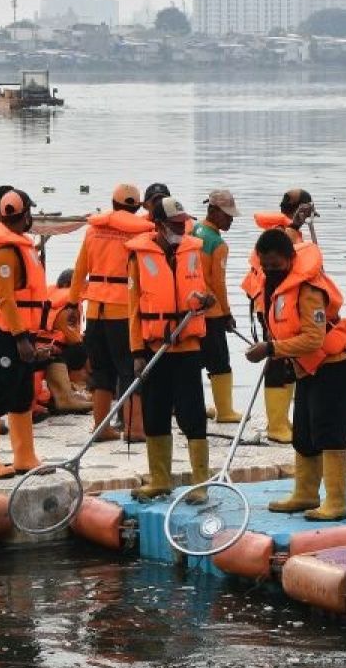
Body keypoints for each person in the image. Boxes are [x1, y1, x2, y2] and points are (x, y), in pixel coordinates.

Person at [246, 228, 346, 521]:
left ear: (290, 259)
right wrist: (279, 352)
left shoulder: (308, 290)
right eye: (266, 266)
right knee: (304, 433)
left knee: (329, 433)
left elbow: (313, 339)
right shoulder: (276, 288)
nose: (270, 271)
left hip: (332, 365)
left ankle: (336, 501)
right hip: (305, 368)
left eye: (276, 265)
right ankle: (306, 493)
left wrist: (271, 348)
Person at [126, 197, 215, 501]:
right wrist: (137, 352)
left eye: (182, 223)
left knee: (193, 414)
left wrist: (207, 300)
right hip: (154, 349)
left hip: (187, 346)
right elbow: (133, 309)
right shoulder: (138, 257)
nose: (181, 229)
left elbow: (203, 289)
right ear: (159, 225)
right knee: (155, 413)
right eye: (175, 225)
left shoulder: (193, 250)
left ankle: (201, 483)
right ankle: (160, 479)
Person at [0, 187, 47, 480]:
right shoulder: (4, 252)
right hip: (3, 334)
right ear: (23, 214)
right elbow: (6, 299)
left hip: (19, 332)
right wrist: (20, 338)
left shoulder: (19, 246)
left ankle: (24, 456)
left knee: (22, 394)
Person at [68, 183, 154, 441]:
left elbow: (79, 268)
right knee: (129, 369)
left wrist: (73, 302)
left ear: (113, 204)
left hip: (95, 309)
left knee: (101, 370)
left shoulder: (93, 230)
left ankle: (101, 427)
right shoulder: (140, 233)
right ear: (137, 207)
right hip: (122, 309)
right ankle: (134, 428)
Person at [241, 188, 317, 444]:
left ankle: (282, 419)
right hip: (270, 303)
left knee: (285, 360)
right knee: (276, 360)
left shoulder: (287, 230)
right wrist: (295, 224)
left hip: (282, 303)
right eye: (303, 212)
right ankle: (276, 424)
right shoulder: (280, 233)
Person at [193, 189, 243, 423]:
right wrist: (227, 313)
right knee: (220, 362)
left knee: (193, 361)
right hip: (211, 312)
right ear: (213, 211)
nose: (231, 219)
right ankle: (225, 412)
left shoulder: (193, 231)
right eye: (227, 215)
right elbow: (218, 283)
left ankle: (194, 406)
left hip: (191, 310)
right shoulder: (218, 244)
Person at [36, 268, 91, 413]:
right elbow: (73, 338)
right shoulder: (68, 307)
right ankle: (65, 397)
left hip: (39, 344)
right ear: (69, 284)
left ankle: (68, 392)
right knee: (81, 352)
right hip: (52, 350)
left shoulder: (50, 298)